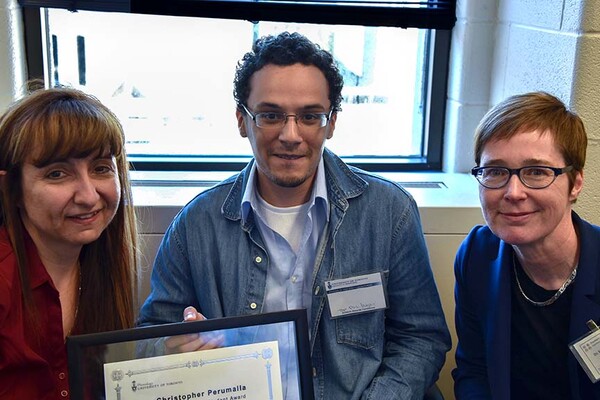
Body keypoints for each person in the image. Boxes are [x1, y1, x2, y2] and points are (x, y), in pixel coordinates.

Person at [137, 31, 450, 399]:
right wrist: (172, 349)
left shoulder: (388, 212)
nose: (290, 134)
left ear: (331, 122)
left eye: (309, 116)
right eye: (270, 115)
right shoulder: (197, 224)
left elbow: (421, 339)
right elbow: (150, 339)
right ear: (242, 120)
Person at [453, 91, 600, 399]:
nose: (513, 192)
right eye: (496, 171)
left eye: (536, 172)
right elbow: (474, 370)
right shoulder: (477, 256)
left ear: (575, 184)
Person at [0, 87, 138, 399]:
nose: (88, 196)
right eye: (58, 174)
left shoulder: (101, 268)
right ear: (13, 190)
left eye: (101, 168)